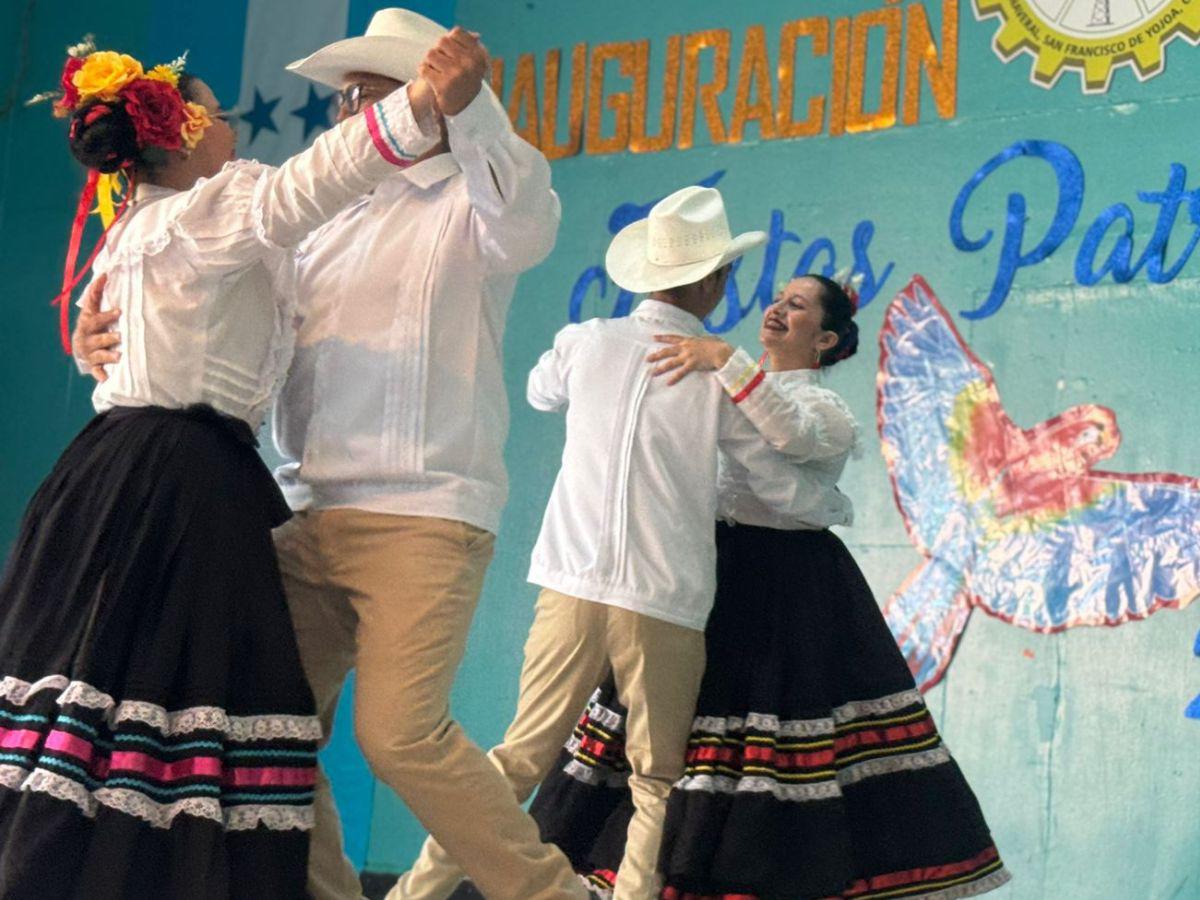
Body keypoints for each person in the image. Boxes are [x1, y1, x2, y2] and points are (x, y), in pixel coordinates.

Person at [76, 9, 573, 899]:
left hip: (423, 514)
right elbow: (197, 300)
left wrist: (473, 111)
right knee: (267, 732)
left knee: (399, 736)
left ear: (426, 103)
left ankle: (552, 893)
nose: (346, 114)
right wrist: (103, 327)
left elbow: (529, 211)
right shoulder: (310, 227)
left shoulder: (475, 200)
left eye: (365, 95)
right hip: (301, 510)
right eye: (345, 99)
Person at [5, 36, 440, 899]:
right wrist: (419, 102)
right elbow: (310, 182)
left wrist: (93, 349)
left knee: (111, 705)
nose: (238, 132)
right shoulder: (214, 207)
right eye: (226, 116)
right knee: (177, 694)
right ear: (191, 128)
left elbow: (132, 340)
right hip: (180, 484)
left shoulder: (135, 223)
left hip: (109, 476)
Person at [396, 187, 854, 900]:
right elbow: (778, 480)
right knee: (656, 778)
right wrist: (833, 505)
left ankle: (412, 895)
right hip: (664, 598)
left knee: (516, 758)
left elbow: (542, 389)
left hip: (572, 581)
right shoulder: (710, 380)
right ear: (711, 281)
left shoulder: (587, 344)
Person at [507, 276, 1013, 899]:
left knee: (765, 746)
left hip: (787, 586)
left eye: (797, 306)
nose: (777, 308)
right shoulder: (717, 384)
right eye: (778, 298)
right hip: (708, 574)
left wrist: (726, 361)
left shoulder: (823, 410)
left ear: (824, 338)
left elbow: (790, 438)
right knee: (666, 744)